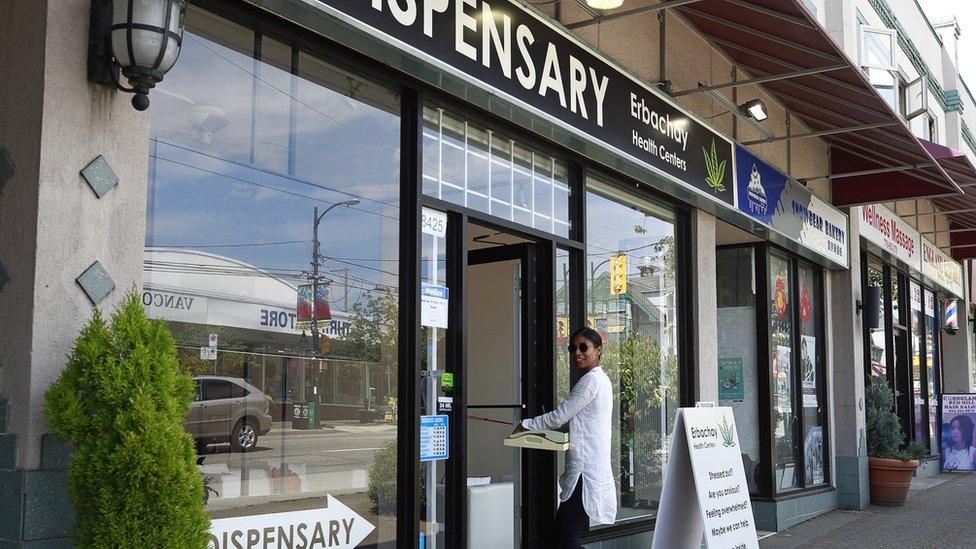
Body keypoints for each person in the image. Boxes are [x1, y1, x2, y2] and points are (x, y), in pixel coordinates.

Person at [515, 327, 616, 548]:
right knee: (563, 537)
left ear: (598, 350)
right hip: (587, 469)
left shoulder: (591, 381)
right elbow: (579, 422)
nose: (577, 353)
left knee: (564, 539)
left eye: (583, 347)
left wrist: (525, 425)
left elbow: (560, 416)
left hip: (584, 472)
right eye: (572, 348)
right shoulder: (602, 380)